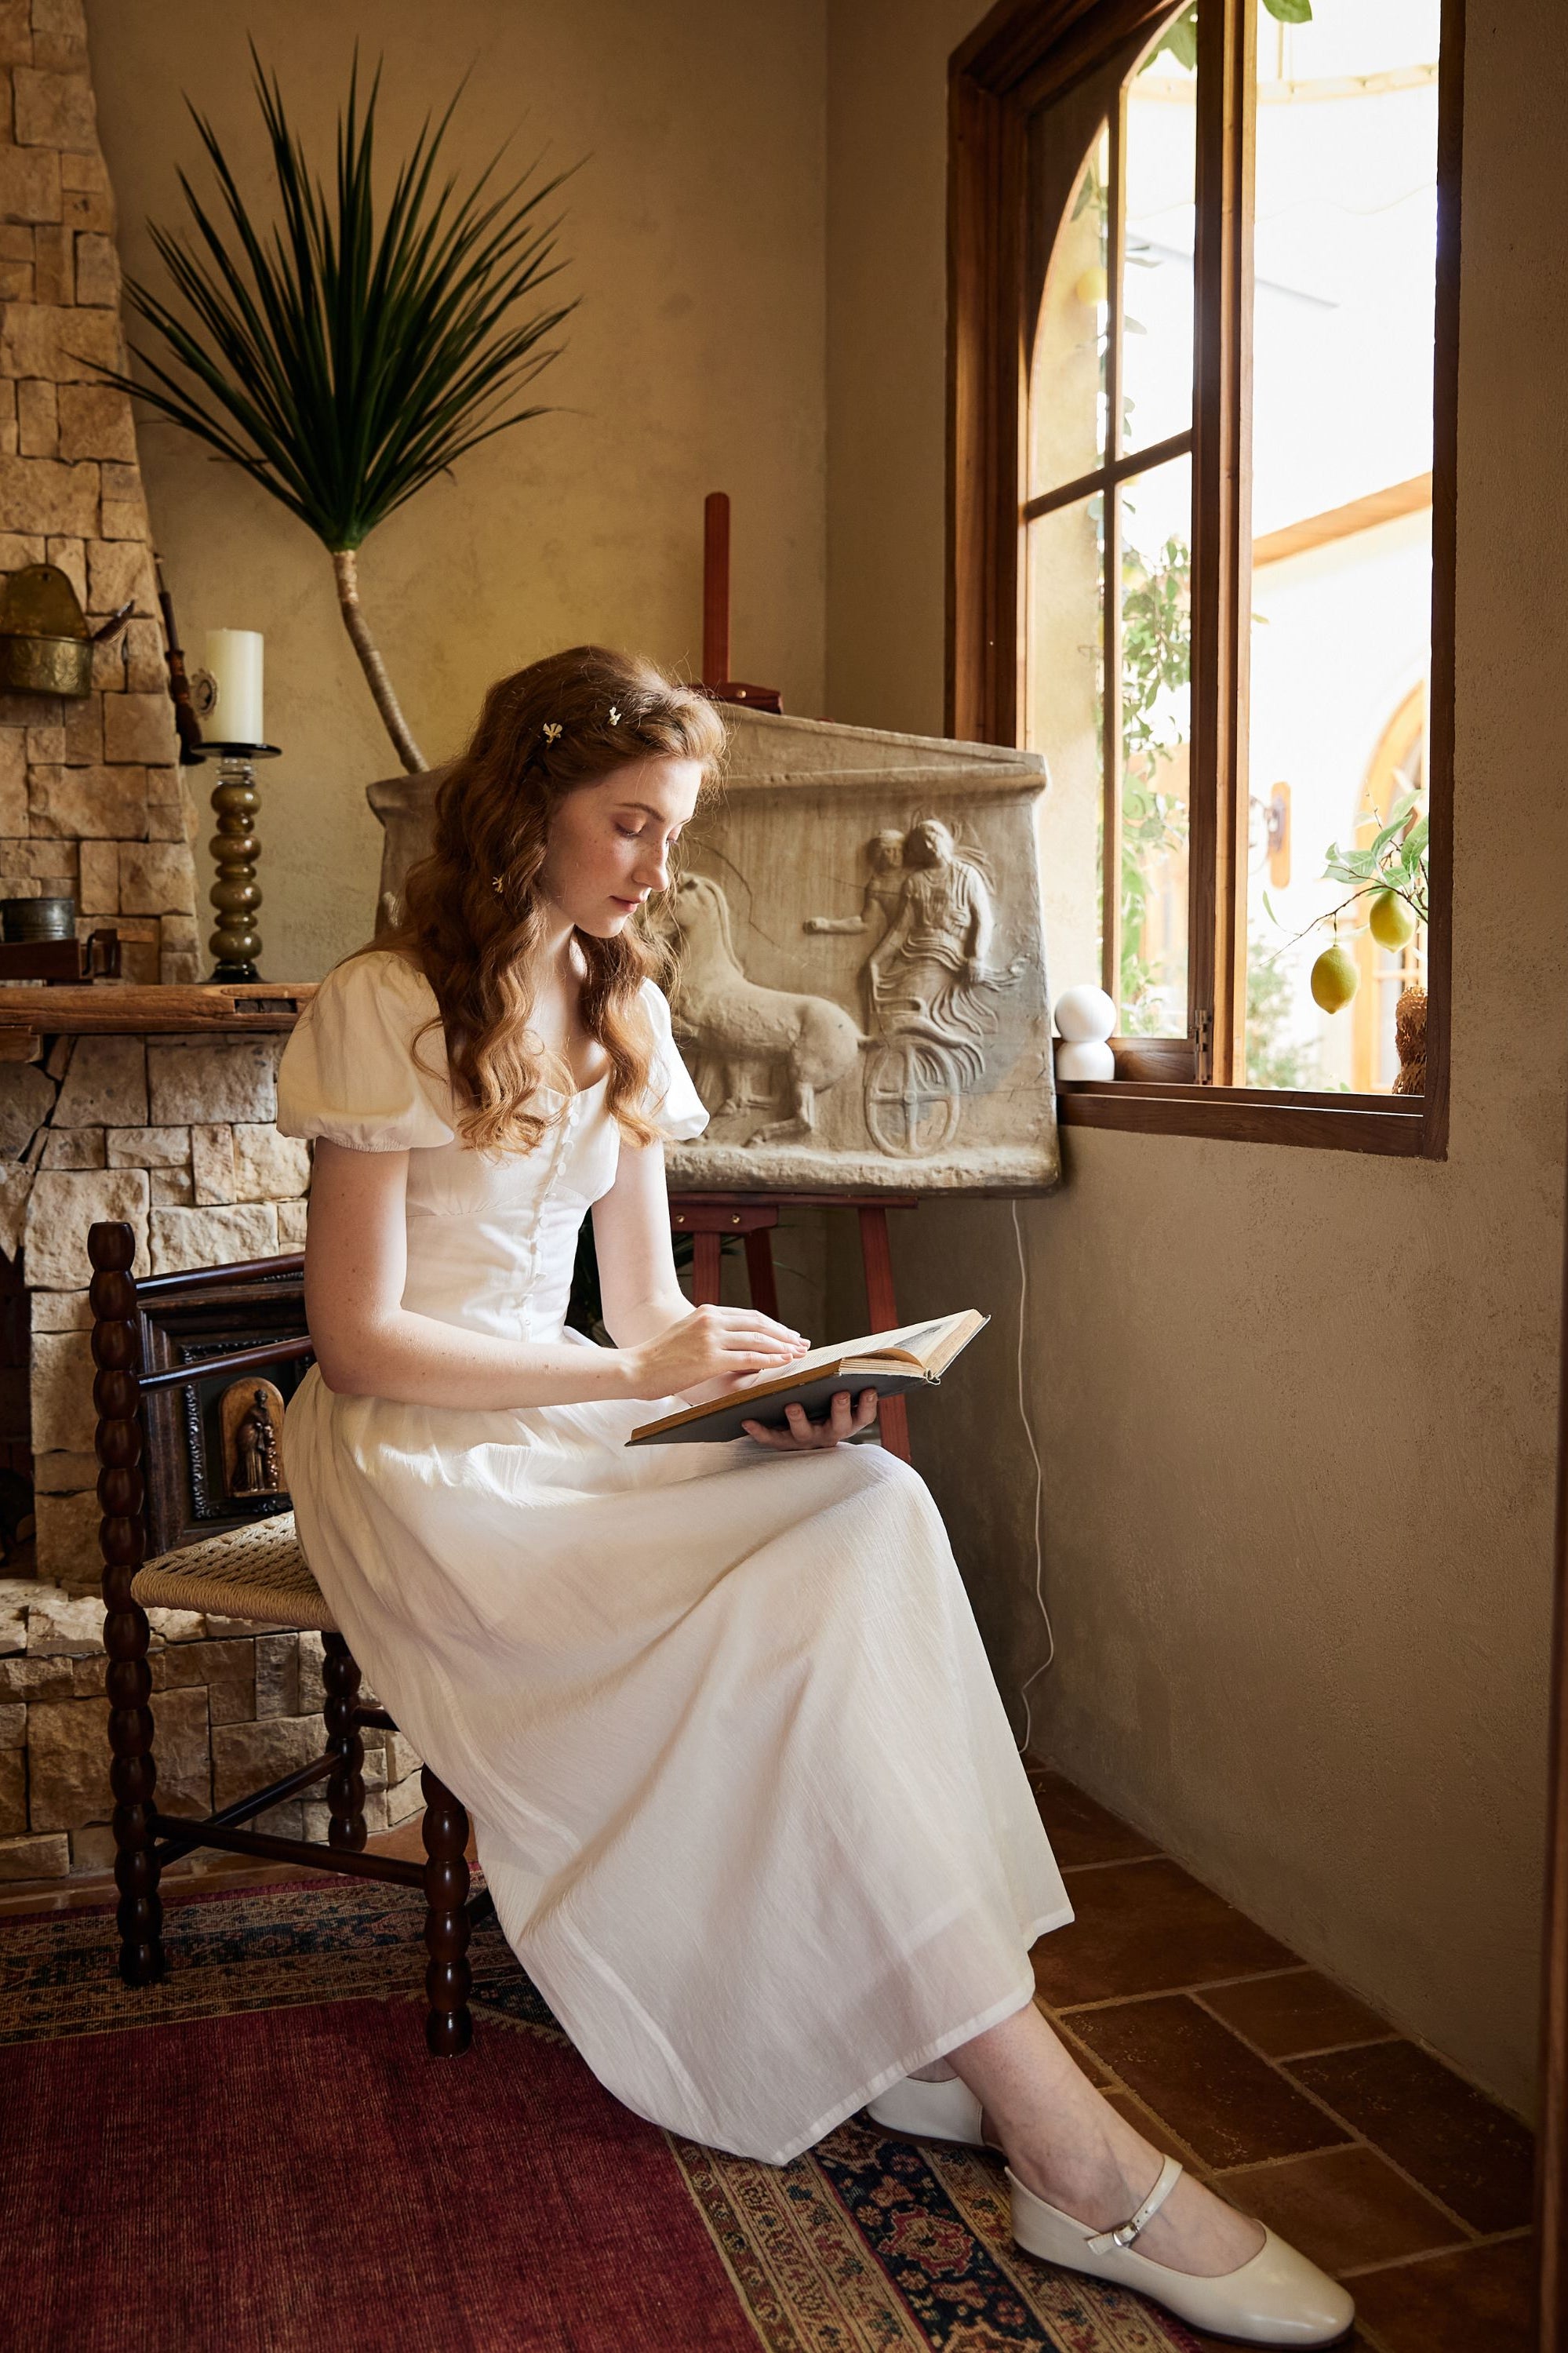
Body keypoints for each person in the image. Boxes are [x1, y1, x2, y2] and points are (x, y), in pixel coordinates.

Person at [277, 645, 1351, 2348]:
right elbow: (358, 1343)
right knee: (809, 1569)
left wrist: (742, 1380)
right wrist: (634, 1379)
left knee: (863, 1502)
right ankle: (1064, 2148)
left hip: (565, 1416)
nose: (652, 866)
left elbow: (640, 1314)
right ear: (524, 801)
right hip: (422, 1458)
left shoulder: (623, 1002)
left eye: (670, 832)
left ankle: (926, 2011)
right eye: (627, 823)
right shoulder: (381, 999)